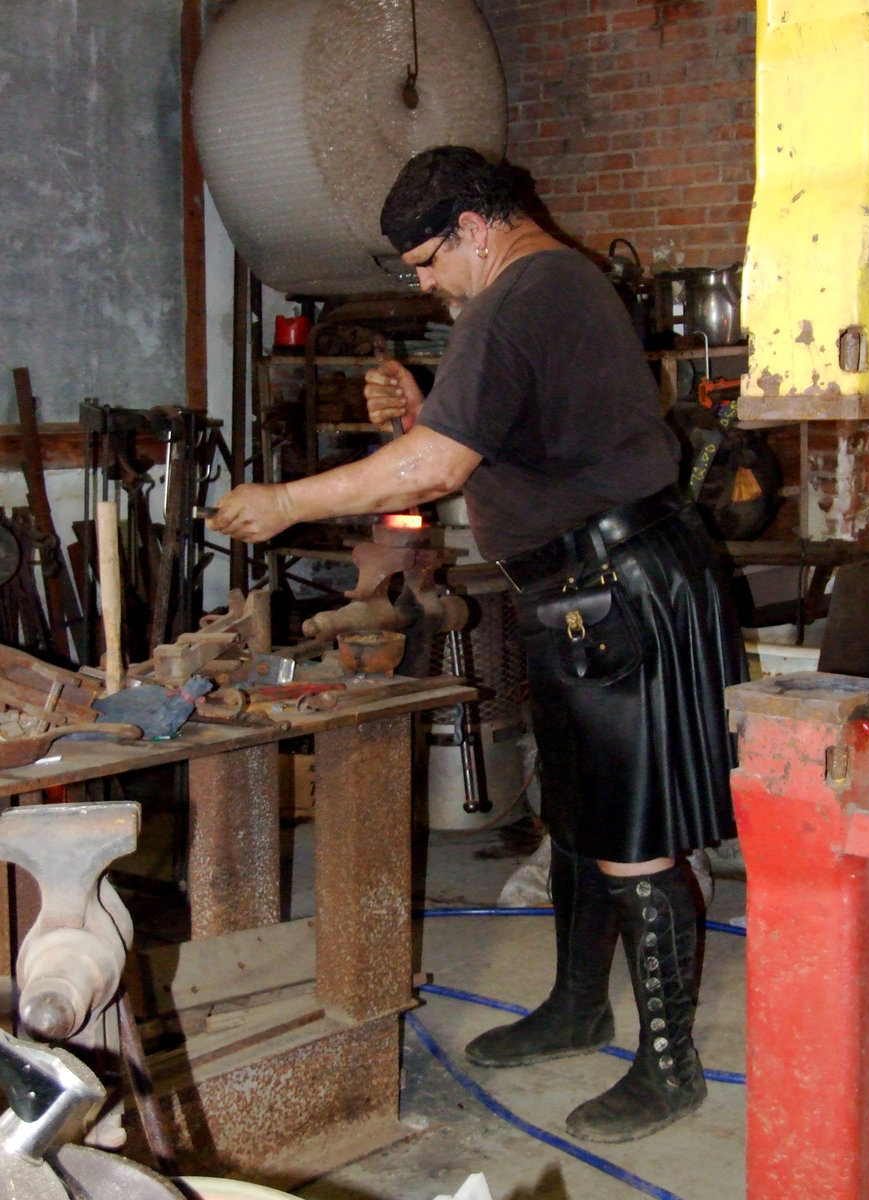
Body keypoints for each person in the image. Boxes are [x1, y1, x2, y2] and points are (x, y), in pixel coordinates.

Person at [208, 145, 745, 1144]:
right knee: (581, 825)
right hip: (578, 591)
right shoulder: (532, 290)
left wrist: (287, 502)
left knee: (638, 846)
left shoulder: (527, 294)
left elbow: (437, 467)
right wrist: (423, 410)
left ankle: (671, 1071)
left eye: (424, 259)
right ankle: (577, 1009)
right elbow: (493, 446)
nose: (420, 280)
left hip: (619, 588)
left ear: (476, 228)